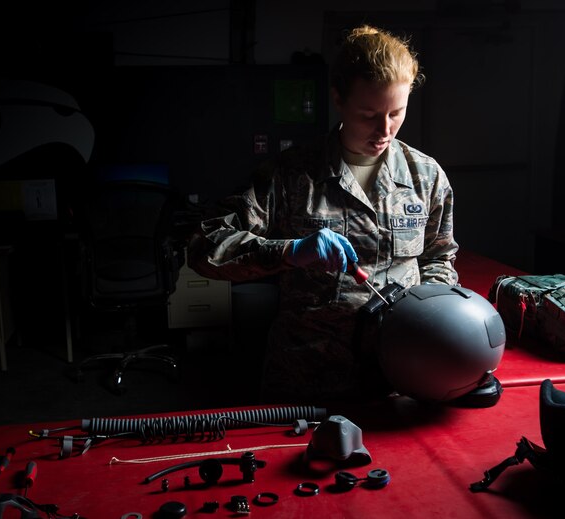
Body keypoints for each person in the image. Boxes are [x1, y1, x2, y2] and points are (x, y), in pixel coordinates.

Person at [188, 25, 458, 403]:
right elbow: (205, 247)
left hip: (401, 375)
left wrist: (435, 320)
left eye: (396, 113)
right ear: (338, 99)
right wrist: (289, 251)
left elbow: (438, 258)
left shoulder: (425, 176)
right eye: (368, 114)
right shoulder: (289, 175)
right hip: (308, 377)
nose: (384, 130)